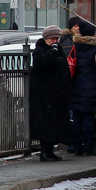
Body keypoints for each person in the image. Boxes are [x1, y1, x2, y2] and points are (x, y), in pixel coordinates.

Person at [30, 26, 71, 161]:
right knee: (45, 126)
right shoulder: (40, 51)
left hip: (56, 95)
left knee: (54, 125)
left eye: (56, 38)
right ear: (46, 38)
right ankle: (45, 152)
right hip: (44, 95)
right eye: (52, 38)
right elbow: (41, 64)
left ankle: (50, 151)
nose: (54, 41)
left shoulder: (57, 50)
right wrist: (52, 53)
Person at [66, 17, 96, 156]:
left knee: (76, 118)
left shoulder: (75, 47)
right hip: (90, 89)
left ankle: (77, 147)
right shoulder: (95, 49)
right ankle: (88, 146)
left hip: (76, 87)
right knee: (88, 119)